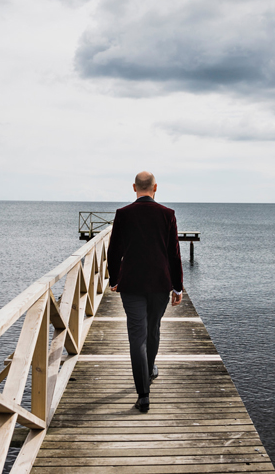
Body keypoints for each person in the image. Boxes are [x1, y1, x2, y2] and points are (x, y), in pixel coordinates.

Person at [107, 171, 184, 412]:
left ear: (134, 188)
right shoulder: (167, 215)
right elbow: (174, 254)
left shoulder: (123, 214)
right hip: (160, 283)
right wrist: (178, 286)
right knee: (153, 330)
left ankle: (143, 394)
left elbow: (113, 250)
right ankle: (149, 369)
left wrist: (114, 279)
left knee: (137, 335)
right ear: (155, 187)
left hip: (131, 283)